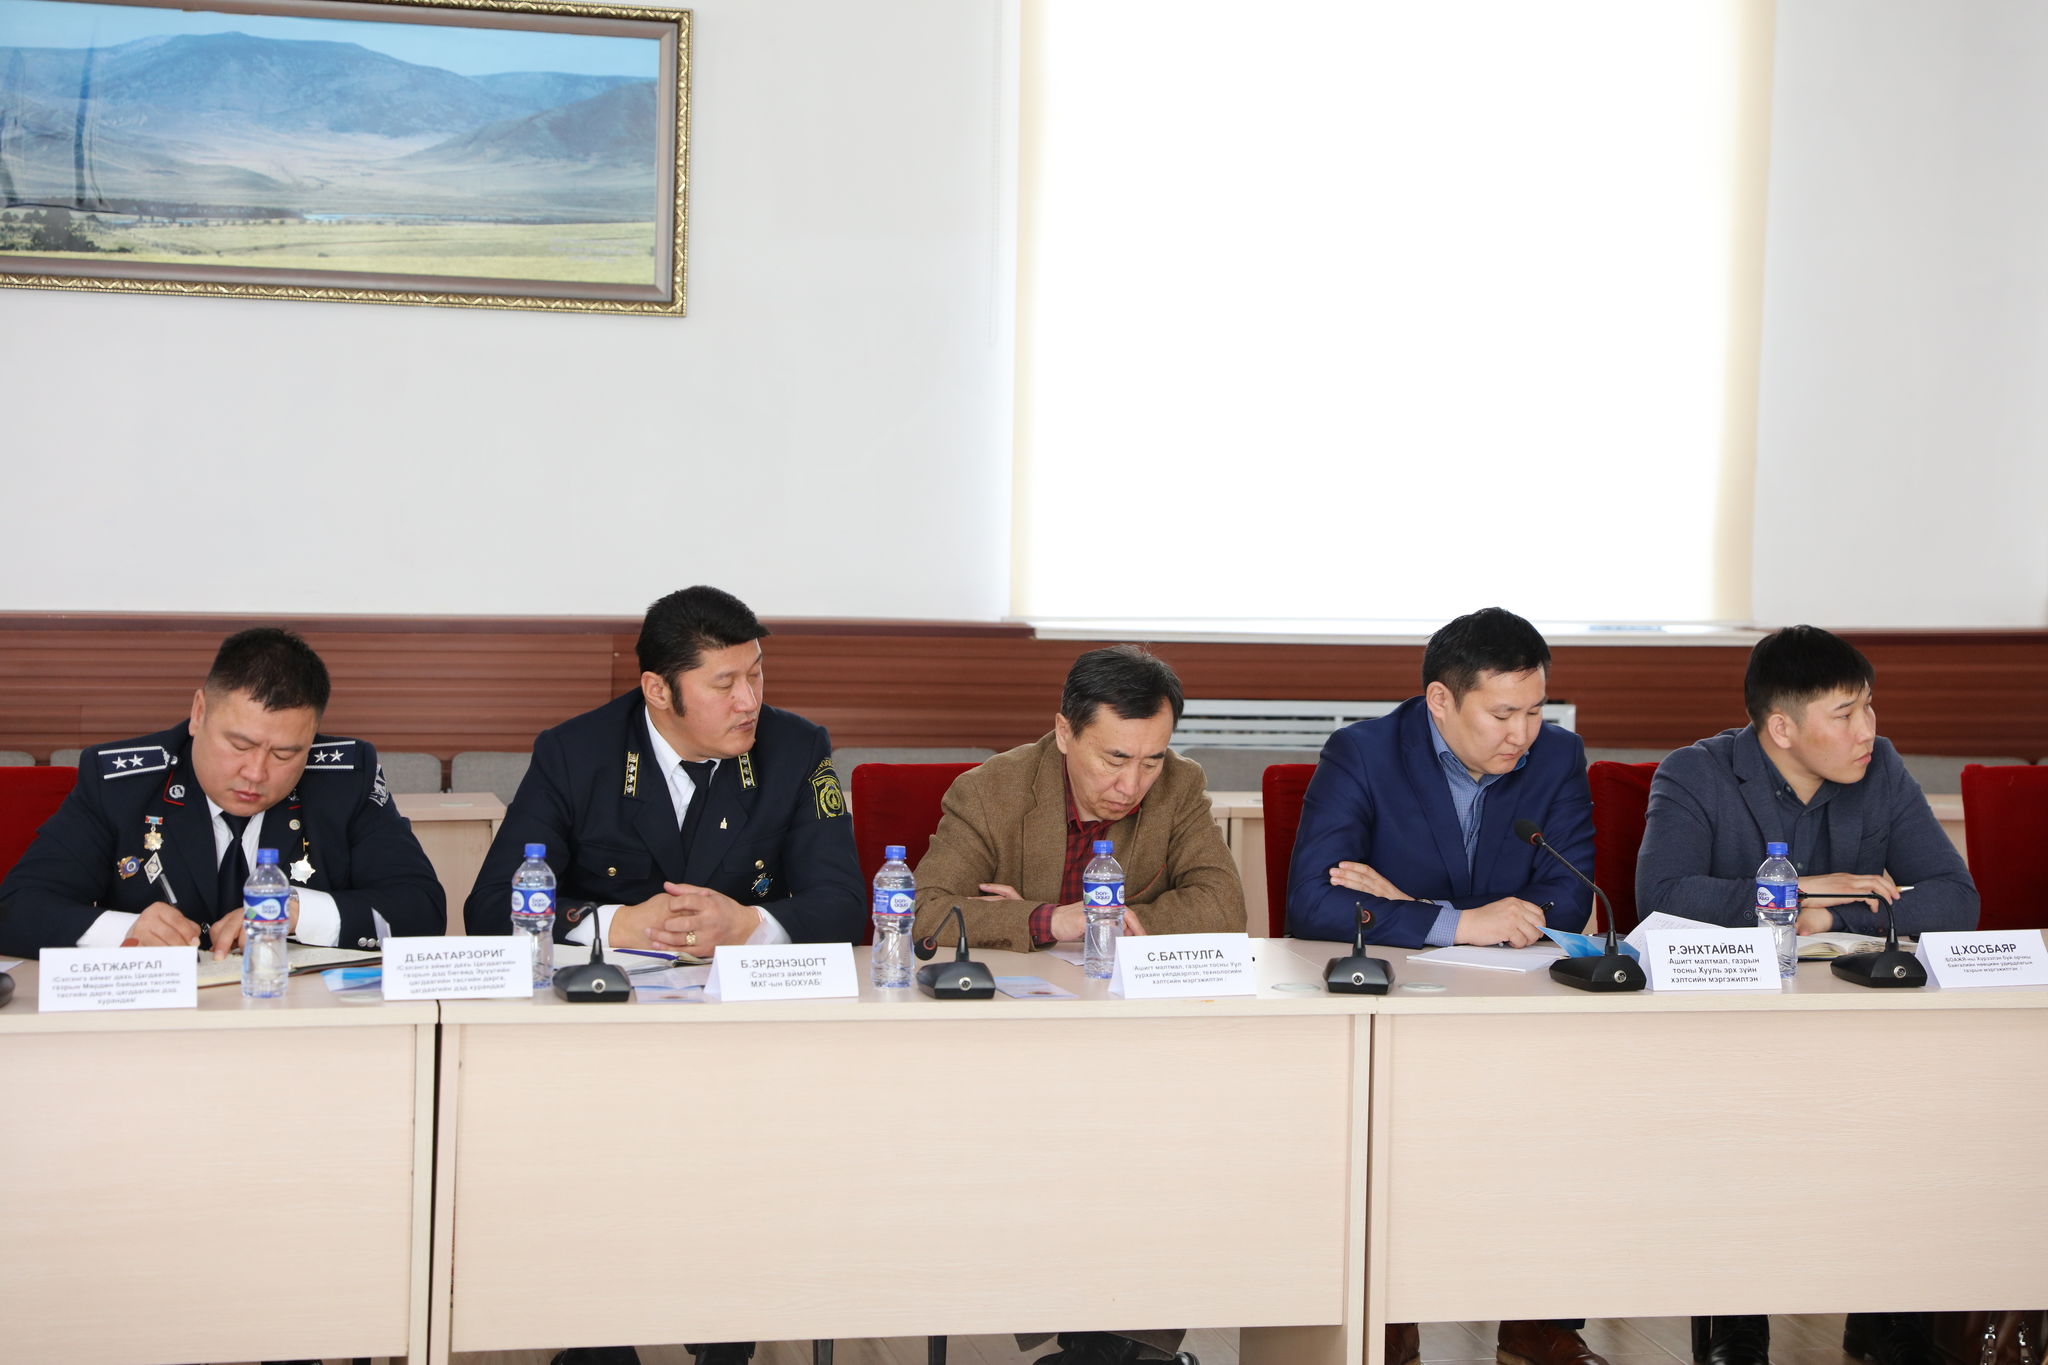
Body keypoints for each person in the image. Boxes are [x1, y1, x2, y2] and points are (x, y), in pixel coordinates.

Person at [465, 585, 864, 1365]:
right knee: (585, 1160)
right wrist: (618, 925)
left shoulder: (796, 748)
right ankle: (595, 1340)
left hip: (741, 1048)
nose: (749, 699)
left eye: (756, 674)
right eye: (725, 682)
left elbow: (846, 902)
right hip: (602, 1044)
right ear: (658, 688)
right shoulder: (575, 752)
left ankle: (727, 1336)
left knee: (745, 1163)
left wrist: (748, 925)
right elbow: (490, 908)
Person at [1637, 624, 1979, 1365]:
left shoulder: (1880, 770)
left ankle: (1887, 1310)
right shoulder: (1695, 773)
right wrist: (1802, 893)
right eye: (1845, 712)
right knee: (1740, 1117)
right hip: (1731, 1027)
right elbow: (1661, 895)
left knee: (1920, 1104)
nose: (1868, 729)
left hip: (1858, 1025)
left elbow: (1956, 899)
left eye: (1869, 706)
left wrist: (1832, 915)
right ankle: (1736, 1316)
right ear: (1782, 728)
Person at [1284, 607, 1606, 1365]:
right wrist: (1461, 921)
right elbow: (1312, 903)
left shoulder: (1558, 756)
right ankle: (1387, 1318)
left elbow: (1566, 899)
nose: (1522, 734)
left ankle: (1536, 1322)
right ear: (1439, 700)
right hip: (1397, 1012)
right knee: (1396, 1122)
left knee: (1567, 1108)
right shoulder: (1363, 753)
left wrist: (1410, 906)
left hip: (1514, 1007)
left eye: (1535, 711)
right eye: (1502, 714)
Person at [911, 643, 1240, 1365]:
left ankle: (1119, 1341)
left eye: (1151, 760)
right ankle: (1104, 1340)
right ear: (1064, 732)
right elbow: (926, 914)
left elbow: (1222, 906)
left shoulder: (1180, 786)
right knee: (1070, 1136)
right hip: (1014, 1049)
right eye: (1115, 759)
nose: (1132, 784)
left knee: (1182, 1130)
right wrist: (1047, 918)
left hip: (1136, 1043)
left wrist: (1107, 919)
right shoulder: (991, 791)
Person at [0, 627, 444, 959]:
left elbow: (421, 910)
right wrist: (126, 931)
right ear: (199, 713)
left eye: (285, 753)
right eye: (240, 745)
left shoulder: (346, 778)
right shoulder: (119, 783)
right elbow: (17, 909)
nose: (256, 773)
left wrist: (295, 913)